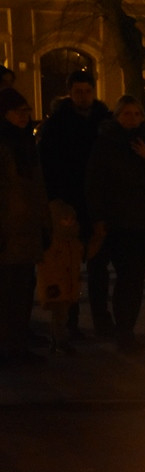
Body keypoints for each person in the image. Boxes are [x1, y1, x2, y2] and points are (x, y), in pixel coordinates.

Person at [86, 95, 145, 354]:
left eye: (136, 114)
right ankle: (119, 328)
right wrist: (98, 219)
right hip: (117, 221)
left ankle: (126, 330)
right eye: (126, 114)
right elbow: (95, 182)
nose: (132, 118)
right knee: (124, 277)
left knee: (134, 279)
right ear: (117, 116)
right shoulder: (105, 143)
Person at [37, 70, 113, 338]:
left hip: (98, 202)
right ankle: (70, 321)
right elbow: (48, 165)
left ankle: (102, 320)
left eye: (87, 91)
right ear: (70, 92)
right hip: (68, 202)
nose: (83, 96)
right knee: (68, 264)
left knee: (99, 267)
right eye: (78, 91)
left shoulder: (105, 120)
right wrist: (56, 202)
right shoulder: (57, 124)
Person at [0, 88, 49, 367]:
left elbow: (37, 188)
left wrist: (44, 224)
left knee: (21, 293)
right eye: (18, 111)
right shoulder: (5, 144)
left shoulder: (25, 144)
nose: (24, 116)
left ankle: (16, 345)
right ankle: (9, 347)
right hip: (9, 233)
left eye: (26, 111)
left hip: (25, 231)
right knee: (8, 294)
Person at [37, 200, 86, 355]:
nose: (69, 222)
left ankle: (55, 341)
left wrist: (99, 237)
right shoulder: (52, 242)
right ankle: (61, 342)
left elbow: (85, 253)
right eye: (65, 219)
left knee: (61, 315)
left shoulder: (73, 241)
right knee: (60, 316)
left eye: (72, 219)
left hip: (68, 284)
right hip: (56, 285)